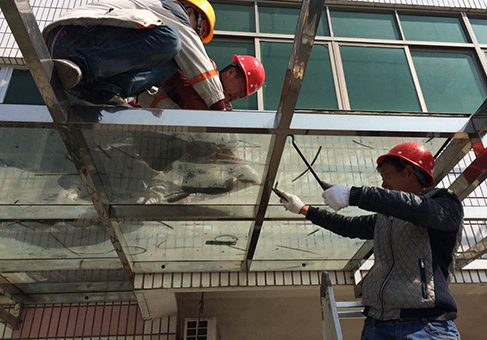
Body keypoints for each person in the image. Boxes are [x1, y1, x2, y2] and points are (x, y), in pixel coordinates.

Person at [276, 142, 463, 340]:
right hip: (377, 326)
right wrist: (304, 209)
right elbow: (348, 226)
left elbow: (414, 207)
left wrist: (353, 194)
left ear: (408, 172)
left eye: (386, 175)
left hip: (427, 326)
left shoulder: (445, 204)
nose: (383, 184)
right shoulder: (387, 220)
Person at [42, 0, 229, 109]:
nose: (196, 37)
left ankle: (102, 93)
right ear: (189, 11)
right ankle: (82, 65)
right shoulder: (171, 7)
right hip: (72, 36)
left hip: (80, 76)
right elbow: (194, 54)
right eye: (199, 30)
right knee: (171, 40)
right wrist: (218, 108)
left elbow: (147, 93)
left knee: (172, 63)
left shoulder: (153, 49)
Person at [135, 54, 265, 110]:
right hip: (149, 109)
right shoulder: (205, 69)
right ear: (230, 72)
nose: (237, 97)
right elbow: (185, 86)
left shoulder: (225, 110)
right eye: (240, 89)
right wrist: (214, 110)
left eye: (241, 96)